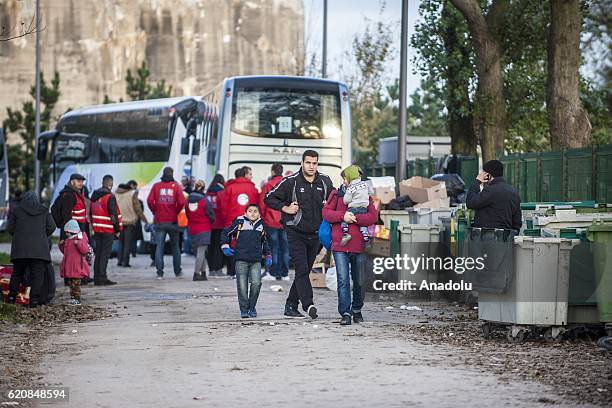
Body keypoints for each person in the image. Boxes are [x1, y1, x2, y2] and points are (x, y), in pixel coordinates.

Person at [264, 150, 334, 319]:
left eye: (314, 163)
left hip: (316, 234)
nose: (311, 166)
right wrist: (285, 208)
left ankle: (290, 305)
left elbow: (334, 200)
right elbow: (269, 198)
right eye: (308, 162)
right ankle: (308, 304)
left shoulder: (325, 181)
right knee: (302, 268)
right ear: (302, 163)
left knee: (305, 270)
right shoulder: (291, 182)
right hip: (295, 232)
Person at [323, 166, 378, 325]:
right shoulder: (336, 194)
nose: (345, 182)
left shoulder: (364, 195)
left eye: (346, 178)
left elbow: (372, 217)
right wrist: (343, 216)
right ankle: (345, 313)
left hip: (358, 245)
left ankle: (357, 310)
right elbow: (326, 213)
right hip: (340, 244)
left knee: (359, 281)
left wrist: (355, 219)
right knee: (343, 280)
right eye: (344, 179)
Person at [221, 204, 271, 318]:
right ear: (245, 213)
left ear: (259, 214)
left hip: (256, 260)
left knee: (256, 283)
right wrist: (225, 246)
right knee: (242, 285)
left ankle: (252, 307)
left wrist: (268, 255)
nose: (252, 213)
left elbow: (264, 242)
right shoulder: (239, 223)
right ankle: (244, 309)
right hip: (241, 259)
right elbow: (225, 233)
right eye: (250, 211)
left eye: (255, 211)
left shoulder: (261, 225)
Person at [7, 191, 56, 306]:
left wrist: (19, 235)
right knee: (37, 275)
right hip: (39, 250)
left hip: (20, 250)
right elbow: (52, 227)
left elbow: (10, 229)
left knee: (17, 274)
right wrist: (42, 235)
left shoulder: (16, 211)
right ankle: (34, 300)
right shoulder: (44, 211)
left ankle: (11, 298)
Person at [147, 167, 186, 279]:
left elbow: (150, 201)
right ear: (172, 174)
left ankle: (159, 272)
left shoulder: (156, 186)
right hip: (173, 221)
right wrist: (176, 211)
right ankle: (177, 271)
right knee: (175, 247)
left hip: (159, 221)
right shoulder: (176, 186)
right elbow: (182, 201)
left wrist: (155, 211)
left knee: (159, 246)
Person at [220, 167, 259, 277]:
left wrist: (226, 220)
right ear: (245, 175)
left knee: (233, 246)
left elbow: (223, 206)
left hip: (232, 221)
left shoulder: (229, 188)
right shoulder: (253, 188)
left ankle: (233, 271)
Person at [466, 160, 522, 231]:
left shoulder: (490, 190)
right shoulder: (514, 192)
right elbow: (517, 221)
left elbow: (470, 203)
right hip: (506, 237)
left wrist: (477, 181)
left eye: (484, 173)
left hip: (487, 236)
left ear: (488, 175)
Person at [259, 163, 289, 281]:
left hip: (271, 221)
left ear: (272, 172)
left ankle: (273, 272)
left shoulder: (267, 186)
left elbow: (262, 204)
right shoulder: (288, 184)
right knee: (285, 247)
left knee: (273, 248)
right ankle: (285, 274)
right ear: (282, 171)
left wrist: (263, 217)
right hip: (285, 220)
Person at [91, 175, 121, 285]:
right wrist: (117, 229)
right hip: (107, 230)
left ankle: (96, 278)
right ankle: (102, 278)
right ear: (110, 184)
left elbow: (90, 212)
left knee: (98, 254)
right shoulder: (110, 197)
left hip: (97, 229)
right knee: (105, 255)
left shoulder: (94, 196)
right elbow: (113, 215)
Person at [186, 180, 215, 281]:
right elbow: (211, 215)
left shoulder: (188, 200)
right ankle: (196, 273)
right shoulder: (204, 201)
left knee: (199, 251)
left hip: (192, 228)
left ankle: (203, 273)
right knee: (201, 251)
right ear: (203, 188)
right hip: (204, 228)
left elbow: (187, 214)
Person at [115, 182, 149, 267]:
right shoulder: (132, 194)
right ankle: (125, 262)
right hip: (130, 221)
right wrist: (145, 220)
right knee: (127, 243)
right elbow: (138, 208)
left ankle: (119, 260)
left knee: (121, 242)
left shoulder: (115, 194)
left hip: (119, 221)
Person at [338, 165, 373, 246]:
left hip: (353, 209)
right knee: (363, 224)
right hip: (364, 209)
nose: (343, 182)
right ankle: (365, 236)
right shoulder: (365, 184)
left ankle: (345, 233)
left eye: (344, 179)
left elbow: (346, 201)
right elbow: (371, 192)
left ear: (350, 177)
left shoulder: (351, 188)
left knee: (345, 218)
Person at [59, 219, 91, 305]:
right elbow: (65, 252)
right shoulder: (68, 240)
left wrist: (78, 243)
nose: (66, 234)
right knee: (71, 284)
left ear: (72, 231)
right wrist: (61, 245)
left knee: (75, 285)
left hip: (77, 267)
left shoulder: (81, 239)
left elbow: (85, 250)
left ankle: (77, 299)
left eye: (67, 232)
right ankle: (73, 298)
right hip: (70, 266)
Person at [206, 174, 226, 276]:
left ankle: (211, 269)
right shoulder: (222, 193)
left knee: (210, 247)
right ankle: (218, 269)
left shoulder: (208, 193)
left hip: (209, 224)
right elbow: (223, 208)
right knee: (219, 247)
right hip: (220, 223)